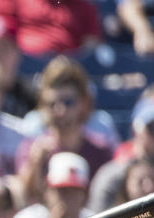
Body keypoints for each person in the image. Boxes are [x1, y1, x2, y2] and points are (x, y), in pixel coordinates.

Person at [16, 56, 113, 205]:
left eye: (68, 102)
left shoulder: (101, 151)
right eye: (52, 103)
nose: (60, 110)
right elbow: (23, 201)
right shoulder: (31, 149)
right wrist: (35, 164)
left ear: (83, 103)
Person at [0, 0, 102, 56]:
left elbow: (90, 47)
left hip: (66, 67)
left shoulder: (85, 7)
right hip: (25, 64)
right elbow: (0, 27)